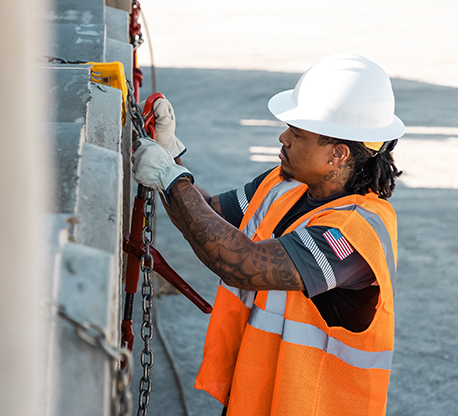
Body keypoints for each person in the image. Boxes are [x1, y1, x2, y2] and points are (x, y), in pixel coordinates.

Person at [132, 54, 404, 416]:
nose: (284, 137)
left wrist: (172, 180)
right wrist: (172, 160)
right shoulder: (283, 185)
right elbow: (207, 218)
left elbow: (241, 263)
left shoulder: (353, 235)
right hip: (259, 398)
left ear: (337, 154)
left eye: (298, 132)